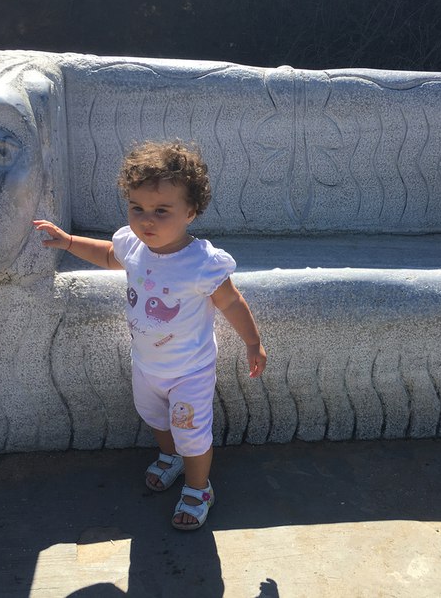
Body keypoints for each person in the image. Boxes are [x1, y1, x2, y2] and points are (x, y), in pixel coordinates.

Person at [33, 140, 267, 531]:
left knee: (192, 433)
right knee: (155, 417)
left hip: (190, 370)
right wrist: (69, 242)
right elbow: (109, 255)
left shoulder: (201, 263)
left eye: (161, 211)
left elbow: (231, 302)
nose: (147, 221)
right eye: (137, 208)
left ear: (190, 212)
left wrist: (252, 343)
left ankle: (198, 488)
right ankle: (171, 457)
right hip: (146, 365)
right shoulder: (133, 245)